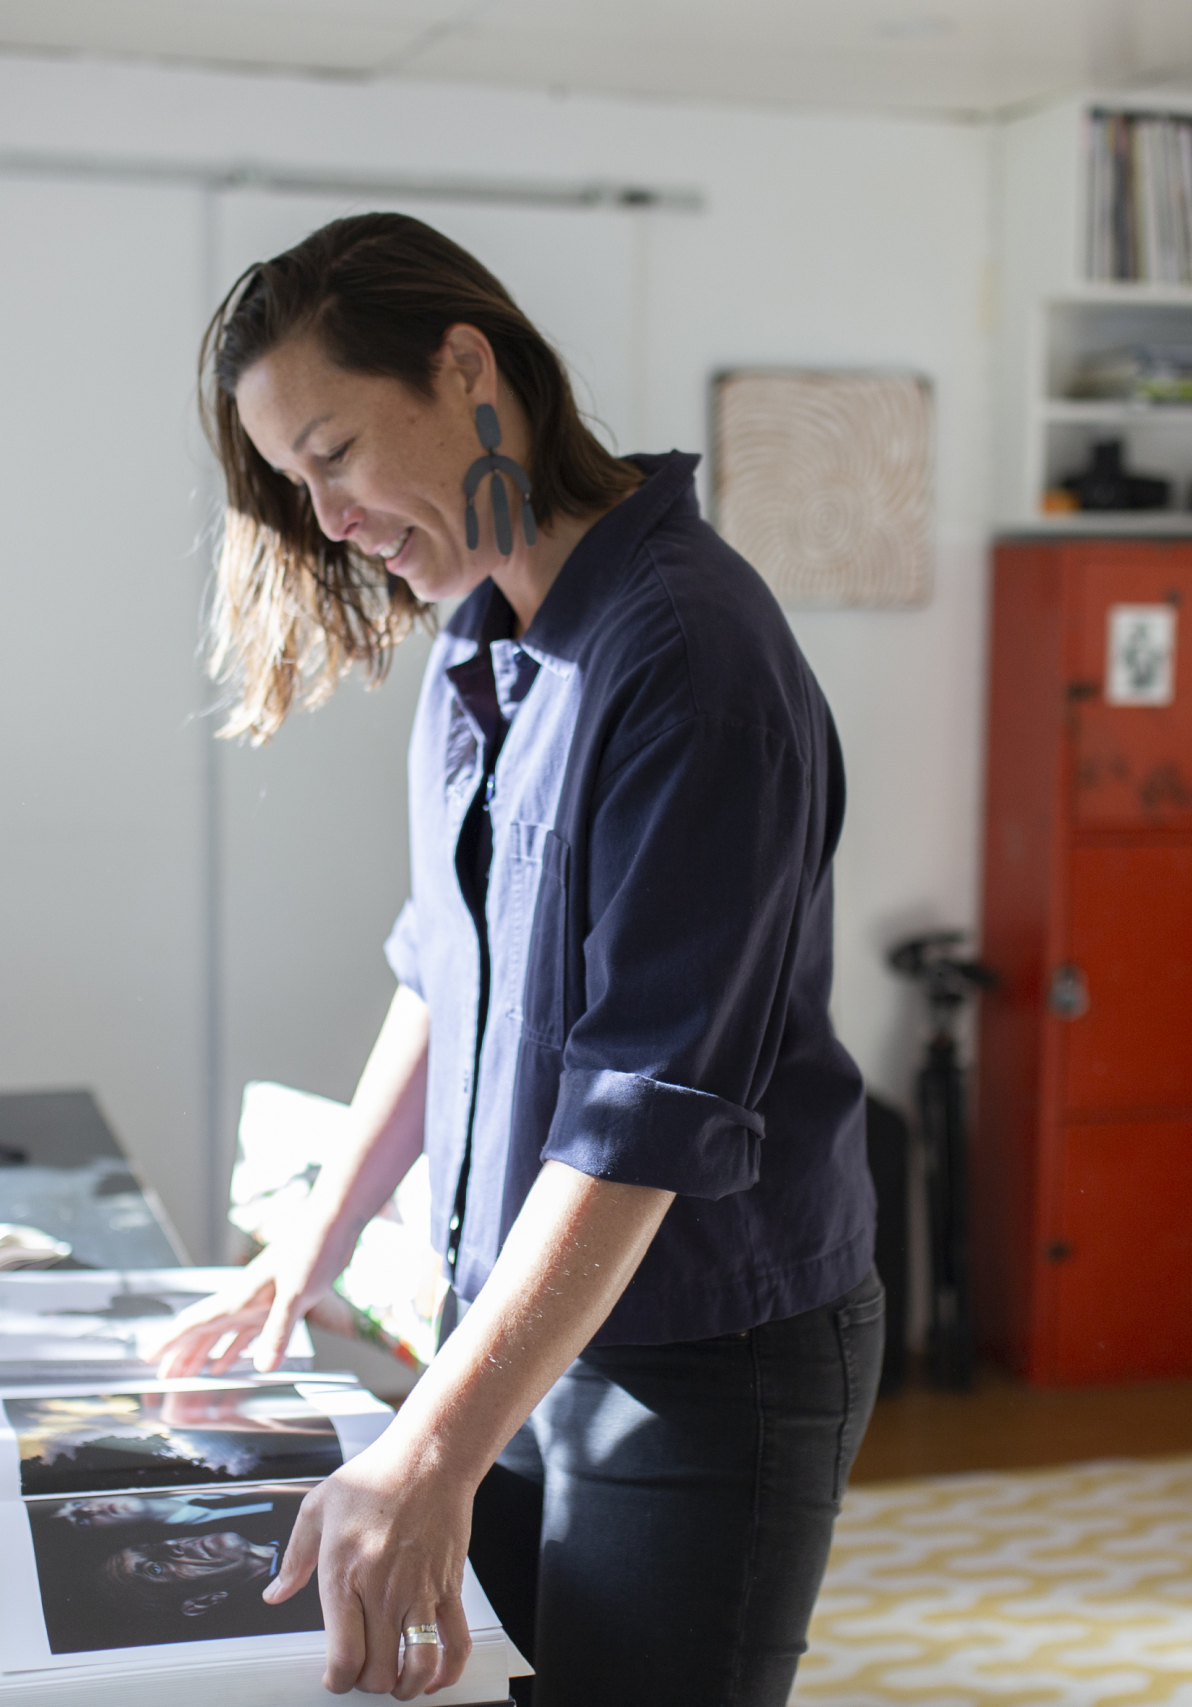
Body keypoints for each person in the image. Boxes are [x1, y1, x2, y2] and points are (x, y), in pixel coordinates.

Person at [156, 212, 881, 1707]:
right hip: (524, 1325)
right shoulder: (483, 641)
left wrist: (428, 1446)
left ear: (467, 367)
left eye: (336, 451)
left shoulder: (688, 657)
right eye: (299, 482)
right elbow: (445, 976)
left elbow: (645, 1114)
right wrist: (310, 1248)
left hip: (701, 1354)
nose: (329, 515)